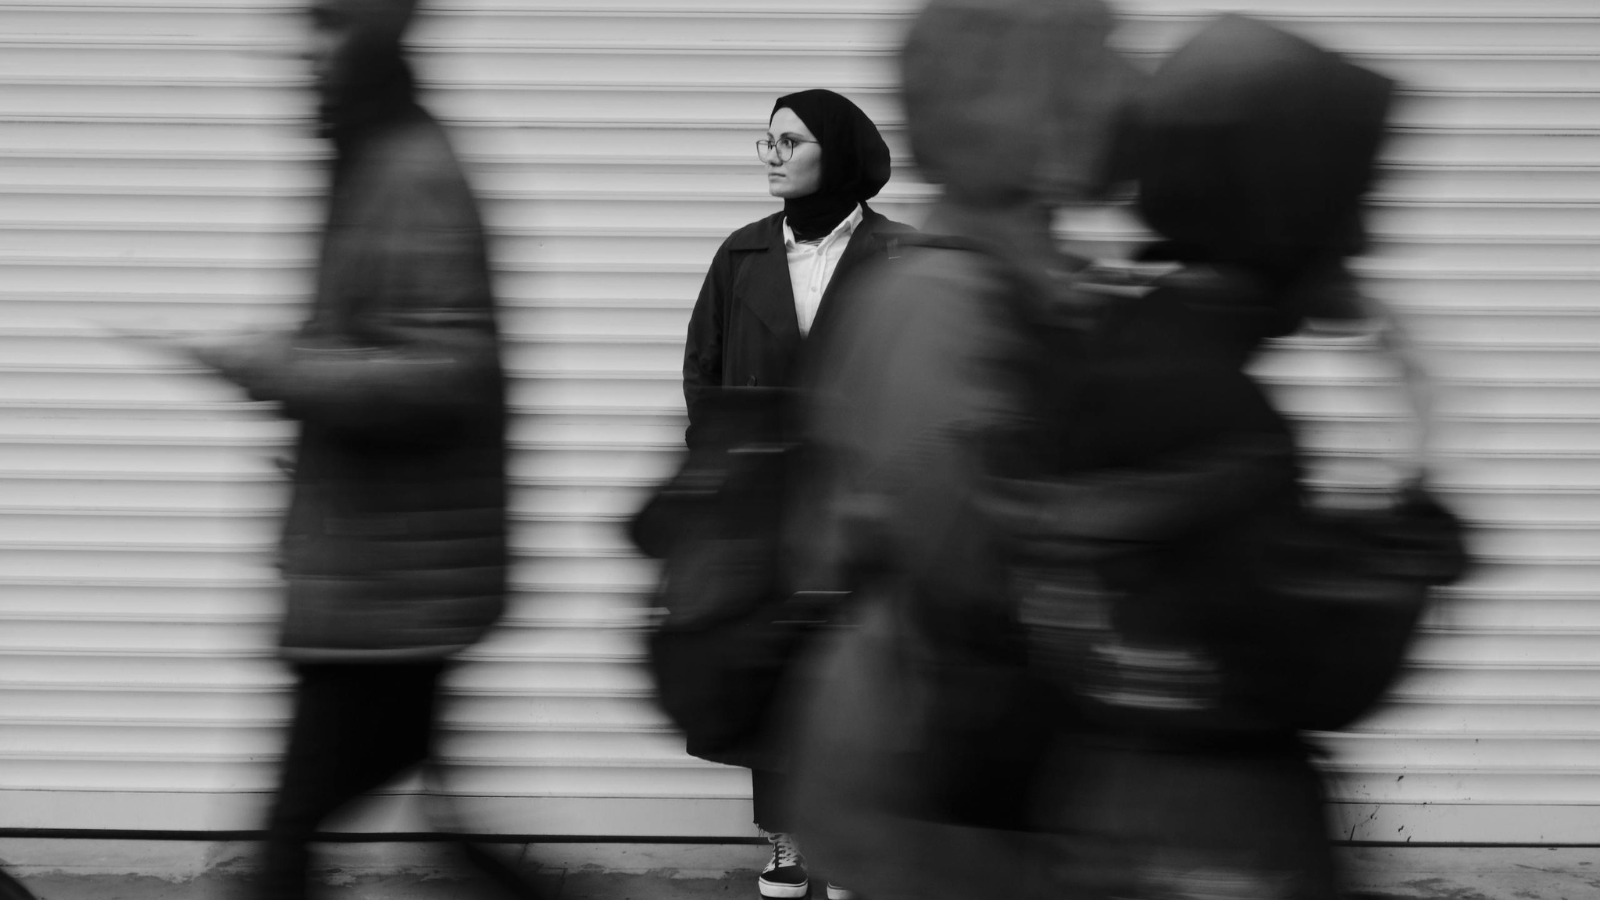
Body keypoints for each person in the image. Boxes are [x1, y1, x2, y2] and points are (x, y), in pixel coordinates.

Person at [132, 1, 534, 897]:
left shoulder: (411, 171)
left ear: (376, 35)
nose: (303, 49)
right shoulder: (371, 159)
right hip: (382, 579)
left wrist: (268, 366)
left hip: (389, 597)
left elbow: (446, 371)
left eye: (329, 23)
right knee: (428, 818)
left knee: (286, 837)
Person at [677, 89, 912, 900]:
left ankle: (860, 842)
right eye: (765, 141)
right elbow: (702, 374)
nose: (771, 154)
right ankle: (787, 843)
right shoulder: (741, 255)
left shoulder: (901, 256)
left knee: (864, 671)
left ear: (837, 152)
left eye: (791, 140)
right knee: (774, 669)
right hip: (768, 504)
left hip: (865, 499)